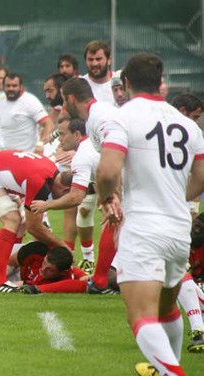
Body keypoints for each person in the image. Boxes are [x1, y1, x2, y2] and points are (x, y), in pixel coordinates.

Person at [96, 53, 203, 376]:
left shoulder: (121, 117)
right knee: (166, 308)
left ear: (124, 84)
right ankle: (164, 372)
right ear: (160, 83)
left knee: (139, 316)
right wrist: (172, 195)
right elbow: (201, 176)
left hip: (143, 227)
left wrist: (106, 198)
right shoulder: (188, 124)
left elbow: (109, 171)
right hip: (178, 228)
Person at [0, 150, 71, 292]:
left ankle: (9, 266)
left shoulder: (51, 171)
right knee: (12, 220)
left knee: (19, 220)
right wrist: (63, 247)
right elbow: (34, 228)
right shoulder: (40, 183)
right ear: (65, 190)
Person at [59, 76, 124, 294]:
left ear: (70, 98)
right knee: (116, 222)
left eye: (63, 101)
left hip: (135, 181)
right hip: (126, 181)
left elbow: (113, 152)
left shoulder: (99, 117)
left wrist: (109, 194)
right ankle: (102, 277)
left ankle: (103, 277)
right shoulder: (95, 117)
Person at [30, 117, 97, 264]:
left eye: (62, 134)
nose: (59, 139)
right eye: (58, 134)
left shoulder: (84, 153)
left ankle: (92, 261)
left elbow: (75, 198)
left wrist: (46, 205)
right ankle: (73, 258)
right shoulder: (83, 145)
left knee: (91, 211)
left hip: (123, 187)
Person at [0, 242, 87, 293]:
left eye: (49, 269)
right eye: (44, 263)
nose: (43, 269)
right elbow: (9, 262)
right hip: (14, 257)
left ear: (61, 272)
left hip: (20, 274)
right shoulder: (35, 253)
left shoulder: (66, 276)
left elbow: (85, 282)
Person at [0, 73, 54, 155]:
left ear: (21, 87)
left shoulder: (30, 101)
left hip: (25, 155)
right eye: (8, 86)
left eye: (14, 86)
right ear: (3, 87)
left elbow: (48, 123)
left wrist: (40, 144)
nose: (11, 88)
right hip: (2, 154)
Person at [172, 93, 204, 219]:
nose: (196, 123)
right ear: (182, 111)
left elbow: (196, 175)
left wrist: (193, 208)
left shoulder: (195, 135)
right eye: (195, 117)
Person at [81, 40, 115, 105]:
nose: (94, 64)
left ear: (109, 60)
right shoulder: (81, 86)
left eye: (98, 59)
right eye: (90, 59)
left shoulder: (120, 83)